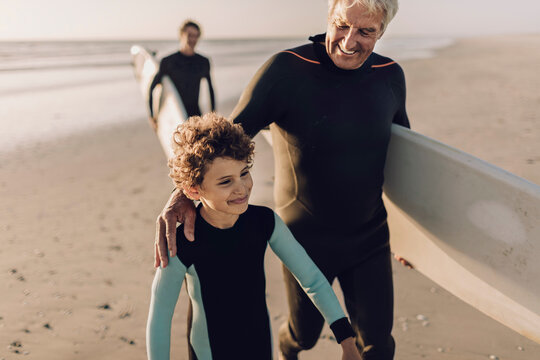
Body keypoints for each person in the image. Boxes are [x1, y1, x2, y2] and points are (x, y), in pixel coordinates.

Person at [154, 1, 410, 359]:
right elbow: (221, 144)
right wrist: (180, 195)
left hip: (369, 237)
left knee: (378, 346)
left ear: (382, 31)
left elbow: (402, 162)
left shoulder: (389, 76)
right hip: (303, 237)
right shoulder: (288, 70)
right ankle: (288, 346)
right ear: (328, 20)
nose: (350, 41)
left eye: (366, 31)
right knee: (304, 335)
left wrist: (414, 239)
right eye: (342, 26)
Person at [146, 113, 362, 360]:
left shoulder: (264, 222)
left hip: (259, 346)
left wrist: (347, 340)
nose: (242, 187)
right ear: (193, 190)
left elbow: (312, 279)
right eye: (226, 181)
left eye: (245, 172)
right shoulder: (183, 240)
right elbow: (160, 318)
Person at [148, 20, 216, 130]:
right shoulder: (168, 62)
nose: (193, 39)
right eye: (189, 35)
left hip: (195, 116)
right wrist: (152, 116)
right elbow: (152, 88)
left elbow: (210, 90)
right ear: (181, 35)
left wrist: (212, 114)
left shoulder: (203, 61)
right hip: (175, 116)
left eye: (196, 36)